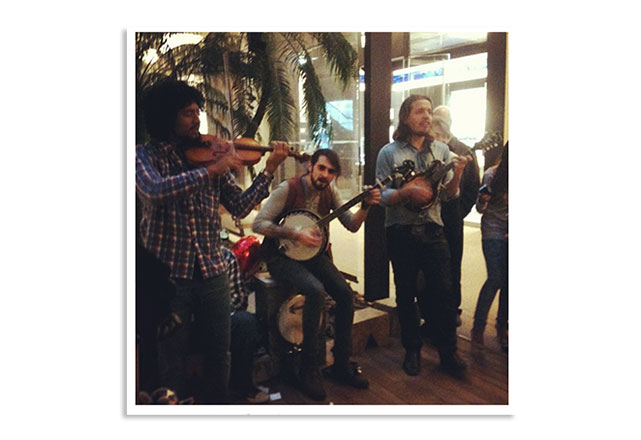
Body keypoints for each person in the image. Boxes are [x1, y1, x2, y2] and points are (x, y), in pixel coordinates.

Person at [135, 79, 289, 404]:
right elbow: (155, 192)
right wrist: (212, 170)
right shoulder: (143, 156)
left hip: (212, 271)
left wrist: (269, 170)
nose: (197, 120)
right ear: (166, 117)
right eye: (188, 113)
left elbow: (240, 206)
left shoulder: (210, 156)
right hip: (169, 277)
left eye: (198, 112)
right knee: (170, 360)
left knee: (221, 352)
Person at [252, 148, 380, 401]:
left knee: (345, 295)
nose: (325, 175)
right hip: (281, 256)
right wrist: (294, 233)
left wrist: (366, 206)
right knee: (314, 289)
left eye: (331, 172)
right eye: (321, 168)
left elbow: (352, 225)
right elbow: (259, 223)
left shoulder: (330, 192)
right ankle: (308, 368)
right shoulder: (288, 189)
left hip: (313, 255)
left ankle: (341, 363)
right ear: (310, 166)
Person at [375, 95, 470, 378]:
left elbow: (450, 195)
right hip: (400, 232)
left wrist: (458, 174)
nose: (427, 116)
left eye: (429, 111)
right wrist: (405, 192)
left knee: (444, 293)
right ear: (406, 117)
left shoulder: (442, 150)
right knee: (406, 293)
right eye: (419, 111)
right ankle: (412, 350)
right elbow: (381, 195)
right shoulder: (389, 153)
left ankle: (448, 352)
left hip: (433, 230)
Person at [423, 107, 480, 328]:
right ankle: (429, 314)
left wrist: (457, 212)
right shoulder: (428, 149)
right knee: (429, 267)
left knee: (453, 266)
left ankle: (452, 310)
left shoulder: (465, 151)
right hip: (430, 218)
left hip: (452, 218)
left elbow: (472, 188)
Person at [471, 143, 508, 352]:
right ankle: (478, 327)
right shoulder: (491, 175)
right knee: (495, 278)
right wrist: (483, 200)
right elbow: (480, 209)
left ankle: (502, 325)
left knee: (509, 281)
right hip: (493, 228)